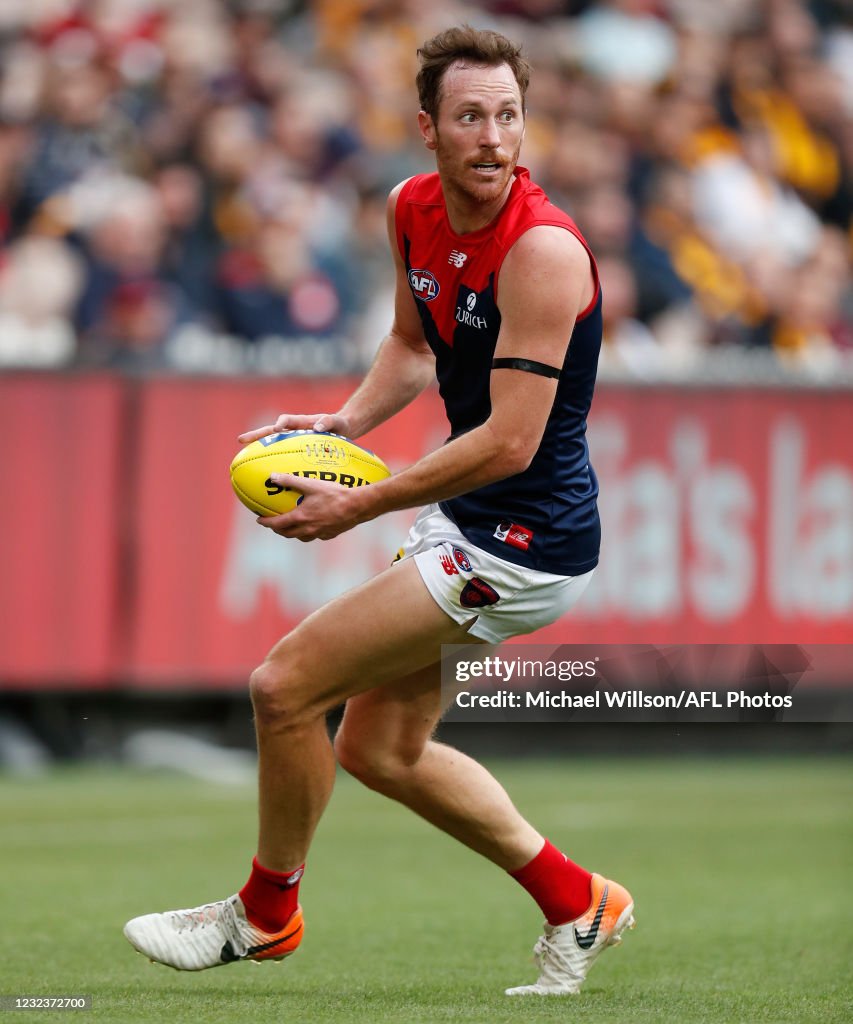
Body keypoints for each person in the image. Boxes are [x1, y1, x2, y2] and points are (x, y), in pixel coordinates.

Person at [123, 25, 635, 996]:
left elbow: (509, 442)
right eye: (471, 116)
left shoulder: (541, 251)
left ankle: (264, 914)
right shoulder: (412, 207)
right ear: (427, 130)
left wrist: (357, 500)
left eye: (509, 116)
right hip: (471, 517)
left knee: (283, 688)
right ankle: (580, 901)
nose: (493, 137)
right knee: (378, 747)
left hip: (520, 540)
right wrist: (344, 422)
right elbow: (411, 344)